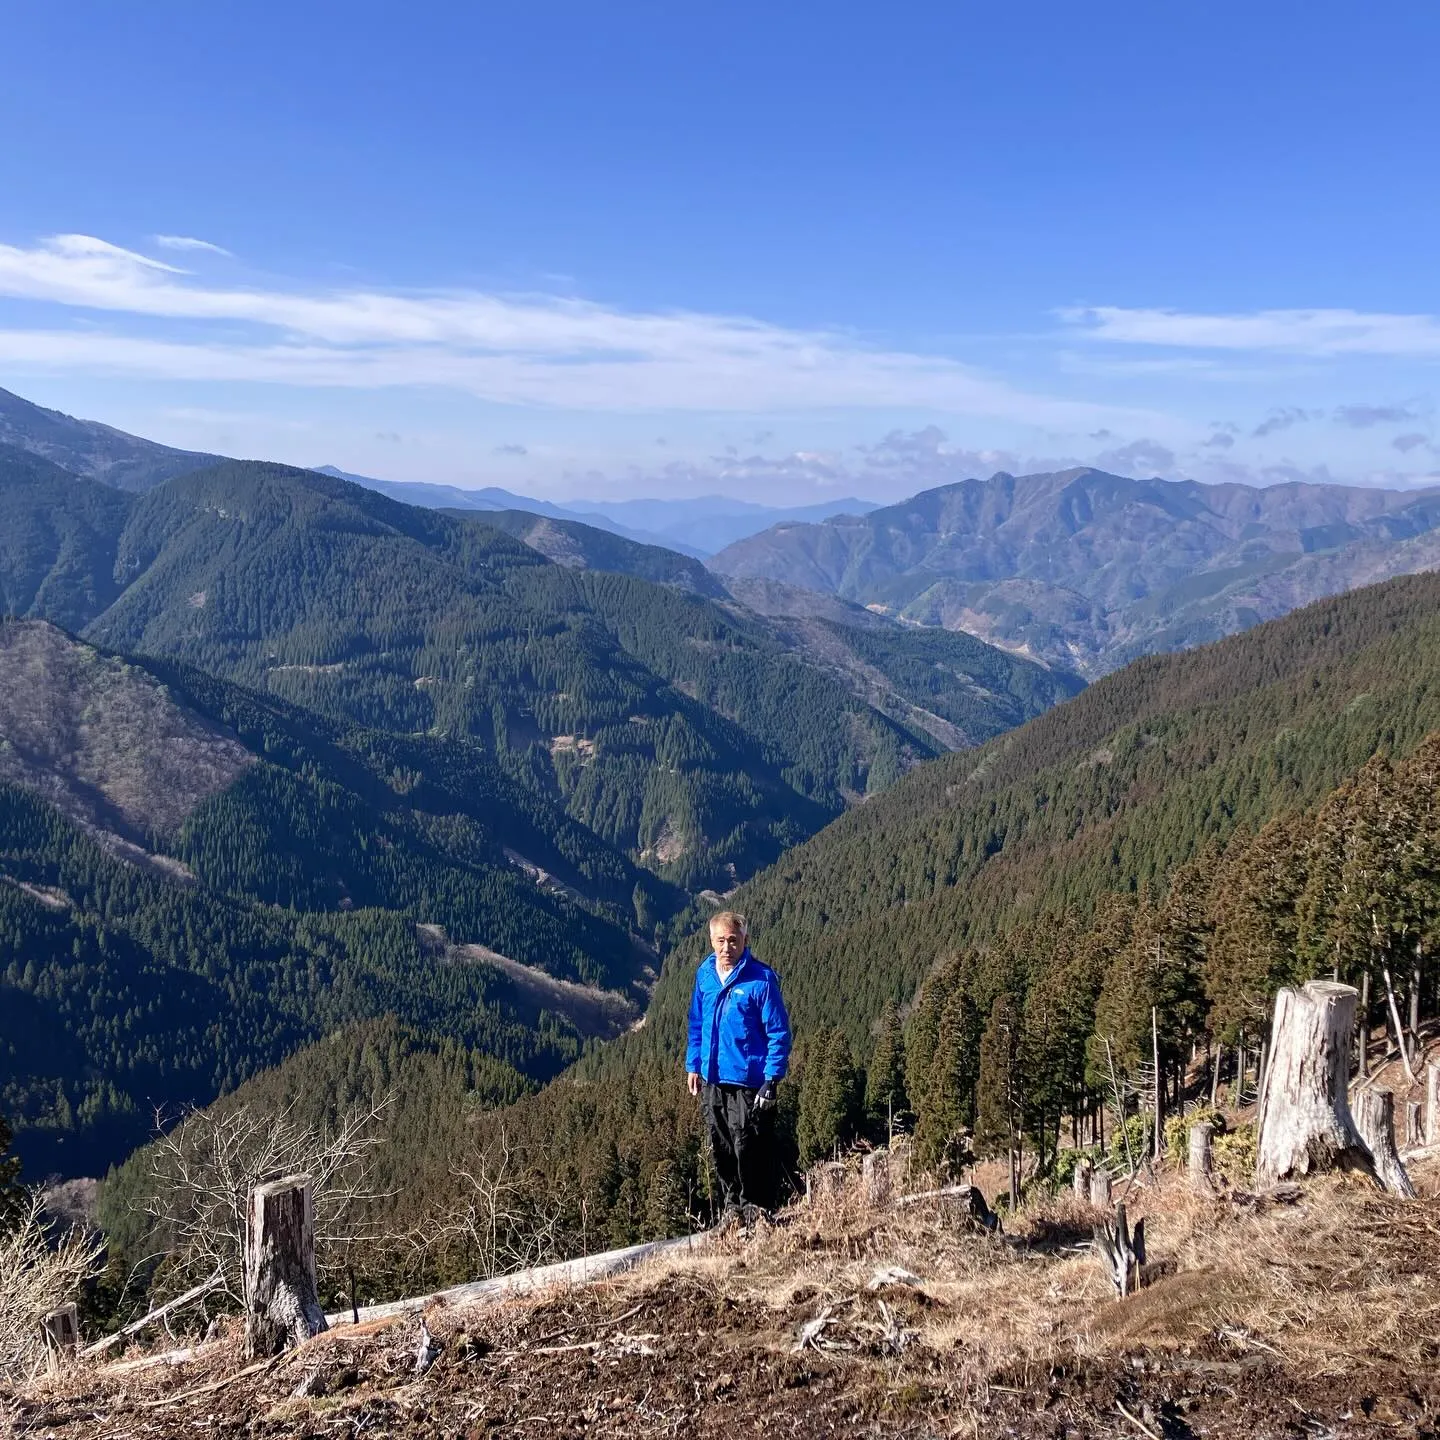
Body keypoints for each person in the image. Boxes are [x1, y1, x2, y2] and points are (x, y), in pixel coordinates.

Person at [685, 910, 792, 1227]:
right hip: (713, 1079)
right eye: (720, 941)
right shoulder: (705, 975)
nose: (726, 947)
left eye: (733, 940)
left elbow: (778, 1032)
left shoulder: (761, 980)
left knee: (750, 1149)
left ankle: (757, 1213)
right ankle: (733, 1213)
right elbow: (697, 1024)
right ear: (711, 941)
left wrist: (772, 1079)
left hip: (749, 1083)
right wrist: (694, 1064)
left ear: (745, 940)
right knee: (722, 1149)